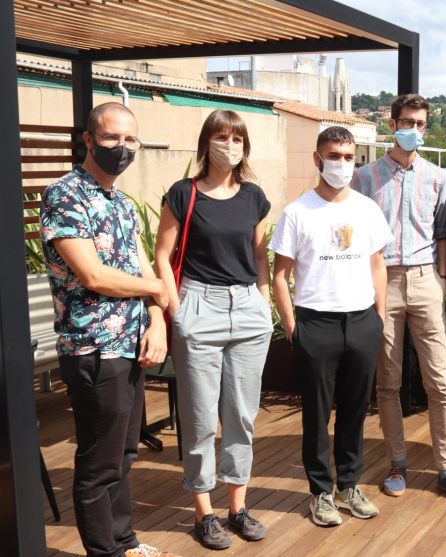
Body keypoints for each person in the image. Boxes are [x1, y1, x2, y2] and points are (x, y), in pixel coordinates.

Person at [40, 102, 179, 557]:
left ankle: (125, 541)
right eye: (111, 137)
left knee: (124, 453)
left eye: (130, 139)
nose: (122, 147)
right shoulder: (64, 195)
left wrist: (156, 323)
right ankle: (105, 551)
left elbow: (142, 269)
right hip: (93, 349)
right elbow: (94, 275)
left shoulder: (121, 203)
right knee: (100, 460)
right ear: (88, 139)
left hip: (131, 344)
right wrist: (158, 288)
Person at [154, 110, 273, 549]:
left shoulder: (254, 196)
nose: (231, 145)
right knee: (201, 417)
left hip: (247, 307)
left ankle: (237, 508)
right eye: (222, 137)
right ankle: (204, 512)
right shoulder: (183, 193)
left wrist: (263, 300)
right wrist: (178, 311)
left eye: (238, 139)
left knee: (241, 415)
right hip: (198, 305)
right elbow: (162, 255)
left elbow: (259, 255)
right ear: (207, 143)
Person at [351, 94, 446, 504]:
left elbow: (443, 231)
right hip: (382, 280)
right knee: (387, 381)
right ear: (392, 124)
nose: (414, 130)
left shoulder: (438, 176)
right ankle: (397, 463)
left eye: (420, 124)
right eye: (407, 122)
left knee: (439, 379)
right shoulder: (364, 177)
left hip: (425, 279)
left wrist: (441, 276)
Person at [270, 126, 392, 525]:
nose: (342, 163)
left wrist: (378, 317)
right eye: (334, 156)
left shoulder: (367, 209)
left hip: (361, 321)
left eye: (348, 156)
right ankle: (321, 492)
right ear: (318, 159)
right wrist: (293, 329)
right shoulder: (297, 211)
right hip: (315, 323)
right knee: (317, 415)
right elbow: (280, 275)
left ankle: (349, 487)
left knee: (355, 412)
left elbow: (377, 264)